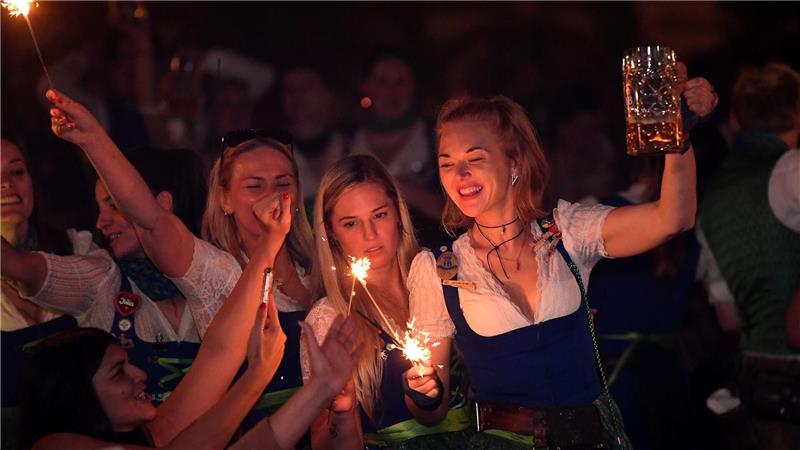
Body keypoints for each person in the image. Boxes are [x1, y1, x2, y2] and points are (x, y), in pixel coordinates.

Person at [405, 63, 717, 448]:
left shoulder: (568, 233)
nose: (460, 174)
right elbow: (430, 411)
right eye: (447, 164)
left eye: (476, 158)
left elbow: (674, 218)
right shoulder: (439, 270)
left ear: (514, 163)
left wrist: (679, 140)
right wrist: (425, 392)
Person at [45, 88, 316, 423]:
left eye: (283, 183)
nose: (272, 197)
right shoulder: (219, 273)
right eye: (254, 186)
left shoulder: (318, 268)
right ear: (226, 201)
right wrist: (93, 140)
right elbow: (152, 221)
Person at [20, 242, 359, 450]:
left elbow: (219, 353)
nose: (139, 373)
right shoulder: (55, 446)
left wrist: (318, 386)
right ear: (75, 394)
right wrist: (259, 378)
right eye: (118, 371)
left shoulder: (151, 434)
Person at [1, 146, 208, 404]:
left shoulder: (215, 273)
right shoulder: (102, 277)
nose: (101, 222)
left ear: (160, 204)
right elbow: (19, 266)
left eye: (114, 205)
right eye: (100, 208)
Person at [303, 154, 472, 449]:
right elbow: (326, 442)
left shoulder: (440, 277)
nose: (370, 234)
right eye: (351, 223)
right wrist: (339, 406)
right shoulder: (331, 319)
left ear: (397, 212)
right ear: (331, 233)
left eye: (379, 215)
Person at [697, 63, 800, 449]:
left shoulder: (711, 197)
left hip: (754, 381)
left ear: (737, 120)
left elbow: (728, 317)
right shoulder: (793, 169)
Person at [350, 49, 445, 247]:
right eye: (383, 82)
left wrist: (406, 190)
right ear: (366, 86)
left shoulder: (436, 136)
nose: (392, 92)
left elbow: (455, 213)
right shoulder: (346, 141)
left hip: (430, 251)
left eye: (401, 82)